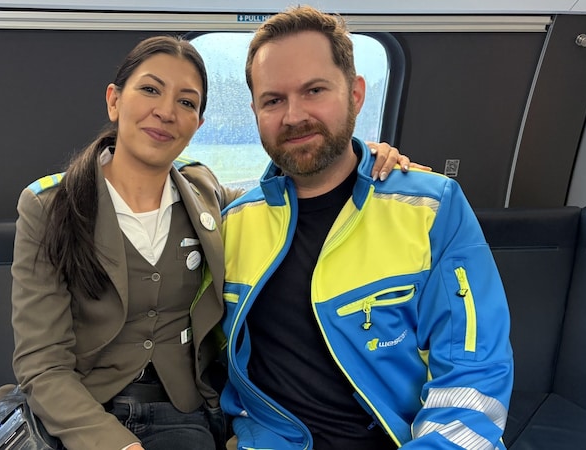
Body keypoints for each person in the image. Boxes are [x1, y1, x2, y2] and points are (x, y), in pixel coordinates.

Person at [1, 35, 415, 450]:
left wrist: (361, 158)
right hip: (81, 412)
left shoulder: (206, 194)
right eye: (150, 89)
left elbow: (289, 193)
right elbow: (42, 364)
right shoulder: (49, 205)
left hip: (179, 414)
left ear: (198, 125)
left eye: (186, 102)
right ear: (114, 100)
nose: (165, 112)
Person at [219, 5, 514, 450]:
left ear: (356, 94)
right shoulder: (230, 224)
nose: (294, 115)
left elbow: (474, 373)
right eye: (273, 100)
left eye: (314, 90)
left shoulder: (431, 208)